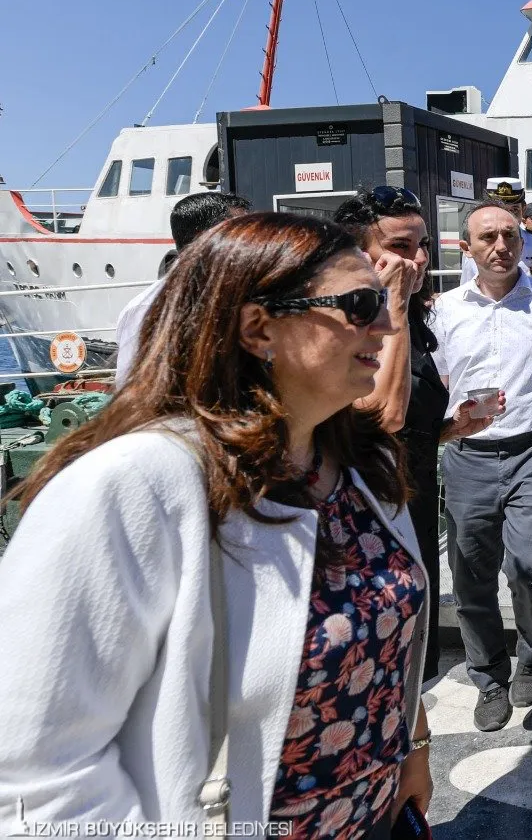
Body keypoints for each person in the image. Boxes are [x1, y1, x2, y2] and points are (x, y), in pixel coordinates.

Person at [0, 213, 434, 832]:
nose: (389, 324)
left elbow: (391, 639)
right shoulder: (135, 485)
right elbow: (31, 777)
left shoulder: (361, 464)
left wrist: (413, 747)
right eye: (361, 305)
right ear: (259, 327)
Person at [335, 185, 501, 683]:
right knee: (385, 661)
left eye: (423, 244)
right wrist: (395, 304)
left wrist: (452, 428)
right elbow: (382, 416)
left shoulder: (413, 315)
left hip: (415, 501)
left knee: (414, 661)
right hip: (369, 517)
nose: (419, 258)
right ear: (362, 252)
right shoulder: (351, 318)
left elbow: (408, 423)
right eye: (401, 247)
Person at [433, 202, 532, 732]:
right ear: (467, 248)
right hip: (468, 456)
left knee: (529, 566)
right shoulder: (442, 311)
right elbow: (430, 382)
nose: (501, 245)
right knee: (470, 574)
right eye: (488, 237)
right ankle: (488, 675)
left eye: (509, 234)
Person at [113, 191, 251, 386]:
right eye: (241, 233)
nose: (252, 241)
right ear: (205, 239)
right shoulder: (148, 309)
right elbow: (133, 388)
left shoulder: (240, 292)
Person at [460, 178, 532, 284]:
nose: (507, 217)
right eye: (501, 210)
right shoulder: (474, 245)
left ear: (523, 209)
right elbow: (467, 286)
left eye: (514, 210)